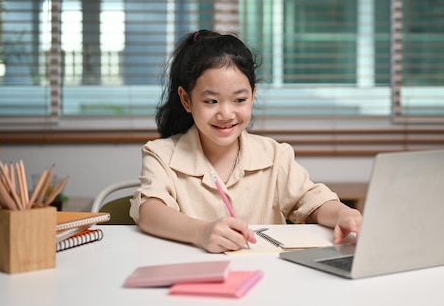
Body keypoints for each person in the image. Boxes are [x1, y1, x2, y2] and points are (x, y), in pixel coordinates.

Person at [130, 30, 362, 253]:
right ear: (186, 100)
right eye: (211, 101)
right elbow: (150, 211)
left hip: (264, 279)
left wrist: (344, 214)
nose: (226, 113)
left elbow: (314, 202)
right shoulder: (160, 154)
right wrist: (201, 233)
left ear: (253, 94)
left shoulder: (274, 156)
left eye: (239, 99)